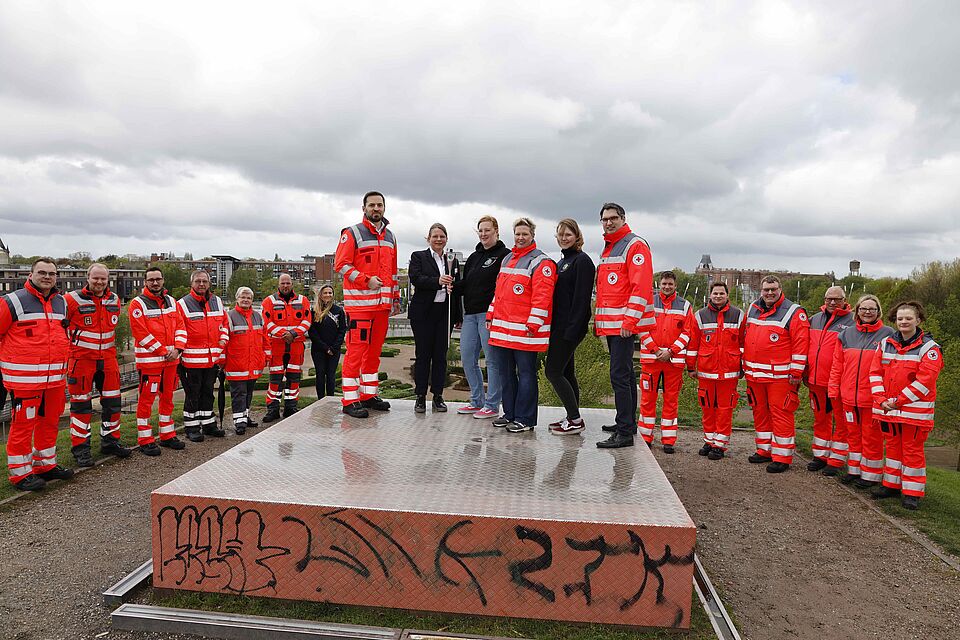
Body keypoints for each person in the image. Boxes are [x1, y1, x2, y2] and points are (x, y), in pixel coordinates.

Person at [0, 259, 74, 491]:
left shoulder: (61, 302)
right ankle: (20, 474)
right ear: (30, 275)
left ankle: (45, 464)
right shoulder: (11, 301)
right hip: (24, 380)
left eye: (51, 273)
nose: (47, 277)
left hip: (54, 379)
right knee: (23, 425)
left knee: (50, 422)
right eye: (41, 272)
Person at [870, 301, 943, 510]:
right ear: (895, 320)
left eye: (908, 318)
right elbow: (874, 373)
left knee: (912, 451)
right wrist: (881, 399)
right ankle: (891, 485)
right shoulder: (885, 344)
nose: (904, 322)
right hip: (889, 409)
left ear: (918, 320)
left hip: (914, 413)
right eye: (900, 318)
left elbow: (924, 382)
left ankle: (912, 493)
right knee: (892, 449)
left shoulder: (929, 348)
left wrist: (897, 401)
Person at [486, 217, 556, 432]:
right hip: (503, 330)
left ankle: (525, 419)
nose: (521, 237)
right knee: (505, 374)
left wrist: (533, 324)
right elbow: (499, 292)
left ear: (532, 235)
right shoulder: (507, 259)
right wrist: (491, 314)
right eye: (518, 234)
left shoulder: (541, 262)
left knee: (525, 374)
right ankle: (510, 414)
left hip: (525, 332)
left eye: (525, 234)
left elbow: (542, 296)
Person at [334, 191, 400, 418]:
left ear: (384, 207)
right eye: (371, 205)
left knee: (373, 352)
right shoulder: (352, 233)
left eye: (379, 205)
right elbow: (340, 265)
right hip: (360, 306)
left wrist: (396, 298)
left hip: (382, 307)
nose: (376, 208)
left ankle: (368, 395)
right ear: (364, 208)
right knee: (356, 352)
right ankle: (350, 400)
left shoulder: (391, 236)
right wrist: (366, 280)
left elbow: (392, 271)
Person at [595, 203, 655, 448]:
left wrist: (630, 321)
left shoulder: (634, 245)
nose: (608, 223)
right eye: (604, 219)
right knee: (626, 375)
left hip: (623, 324)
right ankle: (626, 422)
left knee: (619, 375)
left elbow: (639, 287)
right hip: (613, 324)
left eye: (613, 218)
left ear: (623, 219)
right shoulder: (610, 247)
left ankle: (625, 432)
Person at [64, 263, 130, 467]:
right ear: (88, 277)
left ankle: (110, 442)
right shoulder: (70, 300)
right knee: (81, 406)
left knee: (112, 403)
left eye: (103, 278)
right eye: (96, 278)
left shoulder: (114, 299)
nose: (100, 282)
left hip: (108, 360)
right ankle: (81, 449)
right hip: (81, 360)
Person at [743, 275, 810, 473]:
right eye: (766, 289)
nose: (770, 293)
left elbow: (801, 343)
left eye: (773, 289)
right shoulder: (753, 307)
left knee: (781, 414)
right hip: (755, 375)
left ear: (780, 289)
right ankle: (764, 450)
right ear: (761, 290)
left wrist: (797, 371)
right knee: (760, 412)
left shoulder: (793, 312)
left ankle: (782, 456)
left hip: (780, 378)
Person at [828, 294, 895, 485]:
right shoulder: (846, 334)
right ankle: (854, 470)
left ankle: (871, 476)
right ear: (857, 311)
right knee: (853, 435)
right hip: (848, 396)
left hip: (873, 397)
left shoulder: (888, 334)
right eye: (863, 309)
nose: (867, 312)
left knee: (872, 437)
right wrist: (834, 390)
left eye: (871, 309)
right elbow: (837, 365)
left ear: (878, 311)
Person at [452, 215, 510, 420]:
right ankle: (476, 401)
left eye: (488, 230)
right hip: (470, 314)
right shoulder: (474, 257)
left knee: (492, 361)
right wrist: (451, 285)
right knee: (468, 358)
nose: (484, 234)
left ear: (496, 231)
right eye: (481, 230)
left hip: (490, 314)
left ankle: (492, 405)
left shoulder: (505, 255)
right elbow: (467, 284)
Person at [129, 267, 187, 455]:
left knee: (167, 398)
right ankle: (145, 439)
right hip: (150, 362)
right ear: (145, 282)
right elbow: (141, 333)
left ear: (163, 280)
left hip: (171, 361)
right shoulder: (137, 304)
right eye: (151, 279)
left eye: (158, 279)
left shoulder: (172, 302)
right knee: (146, 400)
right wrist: (163, 351)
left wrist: (178, 348)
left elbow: (180, 326)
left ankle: (167, 434)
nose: (155, 283)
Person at [545, 218, 595, 435]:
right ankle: (572, 416)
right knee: (567, 371)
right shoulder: (562, 262)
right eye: (561, 235)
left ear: (577, 236)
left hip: (570, 327)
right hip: (558, 326)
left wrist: (574, 329)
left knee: (552, 372)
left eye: (568, 234)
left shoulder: (582, 261)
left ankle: (575, 419)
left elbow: (581, 299)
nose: (564, 238)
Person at [686, 282, 745, 460]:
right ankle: (709, 440)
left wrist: (742, 366)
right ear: (710, 295)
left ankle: (720, 445)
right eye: (715, 293)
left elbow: (743, 343)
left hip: (729, 372)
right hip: (706, 371)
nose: (718, 296)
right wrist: (690, 366)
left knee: (725, 409)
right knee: (707, 408)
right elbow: (693, 343)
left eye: (721, 293)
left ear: (727, 295)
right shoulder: (700, 316)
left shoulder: (739, 315)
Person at [637, 271, 693, 453]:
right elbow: (642, 328)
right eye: (664, 284)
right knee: (647, 399)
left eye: (670, 284)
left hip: (673, 361)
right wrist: (655, 349)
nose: (667, 287)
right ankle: (645, 436)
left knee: (671, 401)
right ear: (658, 284)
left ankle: (668, 440)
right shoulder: (648, 303)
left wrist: (670, 351)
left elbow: (687, 333)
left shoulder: (685, 306)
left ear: (675, 285)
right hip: (651, 360)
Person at [408, 223, 461, 413]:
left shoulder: (452, 260)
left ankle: (438, 396)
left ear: (446, 239)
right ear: (428, 238)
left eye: (442, 236)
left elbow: (457, 291)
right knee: (423, 356)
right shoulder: (418, 256)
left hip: (443, 314)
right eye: (435, 236)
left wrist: (458, 315)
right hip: (423, 314)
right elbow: (416, 278)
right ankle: (420, 396)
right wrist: (437, 281)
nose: (439, 239)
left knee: (440, 357)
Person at [804, 286, 855, 473]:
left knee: (841, 423)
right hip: (816, 381)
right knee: (820, 420)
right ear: (824, 299)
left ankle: (836, 460)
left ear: (845, 299)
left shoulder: (853, 322)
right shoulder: (814, 319)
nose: (832, 303)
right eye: (829, 299)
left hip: (839, 383)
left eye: (837, 299)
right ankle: (820, 455)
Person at [177, 270, 229, 440]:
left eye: (204, 281)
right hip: (191, 361)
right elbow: (178, 331)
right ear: (191, 284)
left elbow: (224, 325)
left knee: (208, 392)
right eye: (198, 281)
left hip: (211, 360)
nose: (201, 284)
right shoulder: (182, 304)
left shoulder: (217, 301)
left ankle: (208, 424)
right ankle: (191, 428)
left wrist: (222, 343)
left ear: (209, 283)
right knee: (192, 394)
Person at [261, 273, 312, 422]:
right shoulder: (269, 301)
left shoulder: (303, 300)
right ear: (278, 284)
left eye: (287, 283)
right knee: (275, 379)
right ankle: (273, 409)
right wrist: (286, 334)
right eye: (282, 283)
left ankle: (291, 407)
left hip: (296, 346)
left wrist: (293, 333)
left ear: (292, 284)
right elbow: (267, 323)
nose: (285, 286)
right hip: (277, 345)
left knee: (294, 378)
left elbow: (307, 321)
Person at [224, 286, 269, 434]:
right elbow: (223, 340)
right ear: (237, 299)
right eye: (243, 297)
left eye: (248, 298)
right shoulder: (229, 316)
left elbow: (265, 338)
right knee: (239, 393)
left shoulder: (258, 316)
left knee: (249, 392)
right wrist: (222, 361)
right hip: (236, 363)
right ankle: (239, 422)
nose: (246, 300)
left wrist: (266, 356)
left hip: (253, 362)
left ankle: (245, 416)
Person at [308, 284, 347, 399]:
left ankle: (330, 399)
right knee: (320, 375)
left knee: (331, 376)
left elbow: (342, 330)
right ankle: (320, 400)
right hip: (318, 350)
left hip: (334, 350)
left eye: (330, 293)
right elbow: (312, 332)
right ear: (320, 295)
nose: (328, 295)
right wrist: (325, 348)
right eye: (325, 293)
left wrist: (333, 348)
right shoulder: (314, 311)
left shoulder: (338, 310)